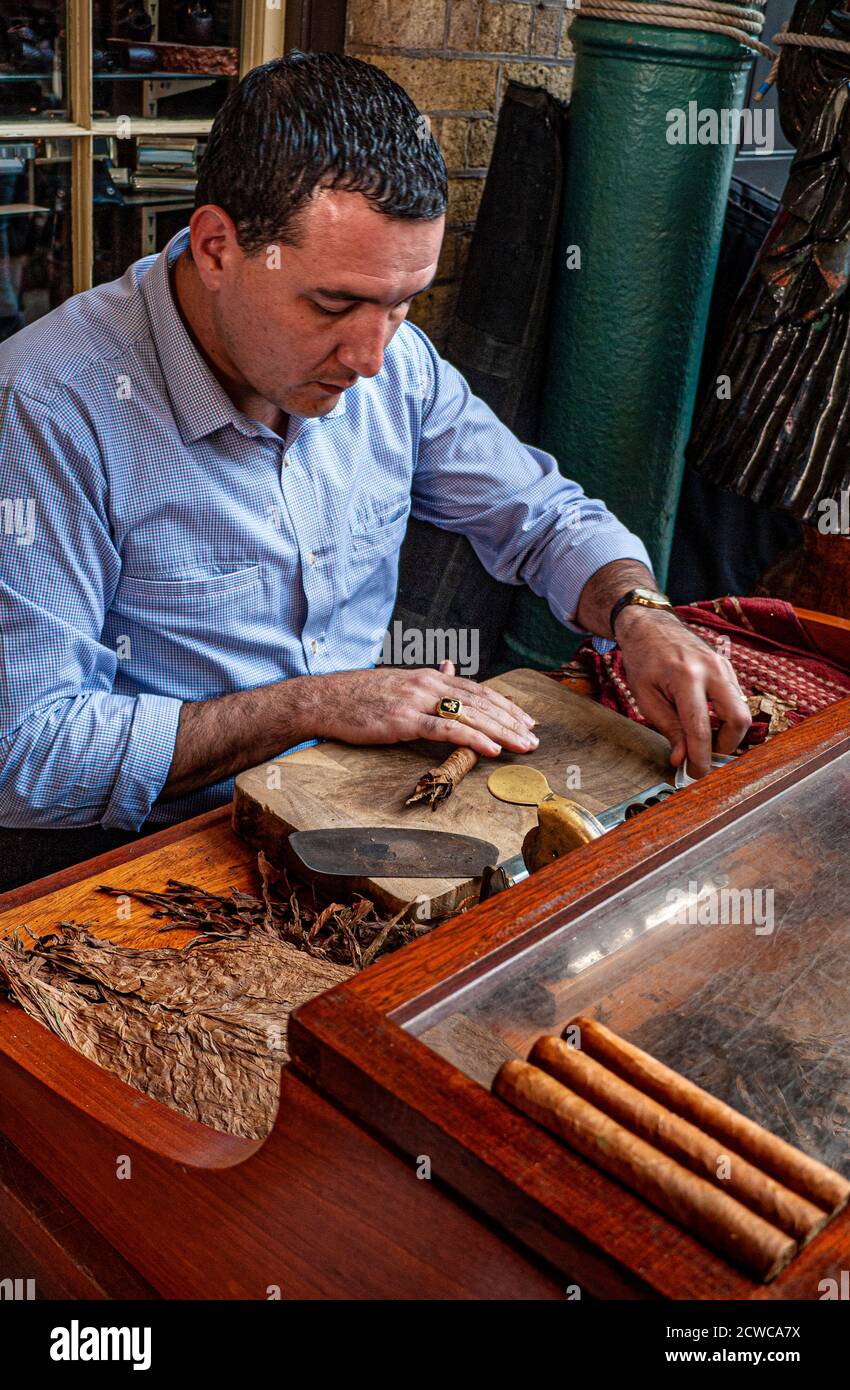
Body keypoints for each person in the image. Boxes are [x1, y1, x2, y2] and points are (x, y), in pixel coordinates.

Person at [0, 51, 749, 886]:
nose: (369, 356)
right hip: (135, 851)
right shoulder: (46, 406)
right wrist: (313, 703)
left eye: (403, 304)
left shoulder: (401, 366)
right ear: (217, 247)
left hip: (356, 804)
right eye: (333, 304)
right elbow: (27, 751)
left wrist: (641, 613)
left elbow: (539, 515)